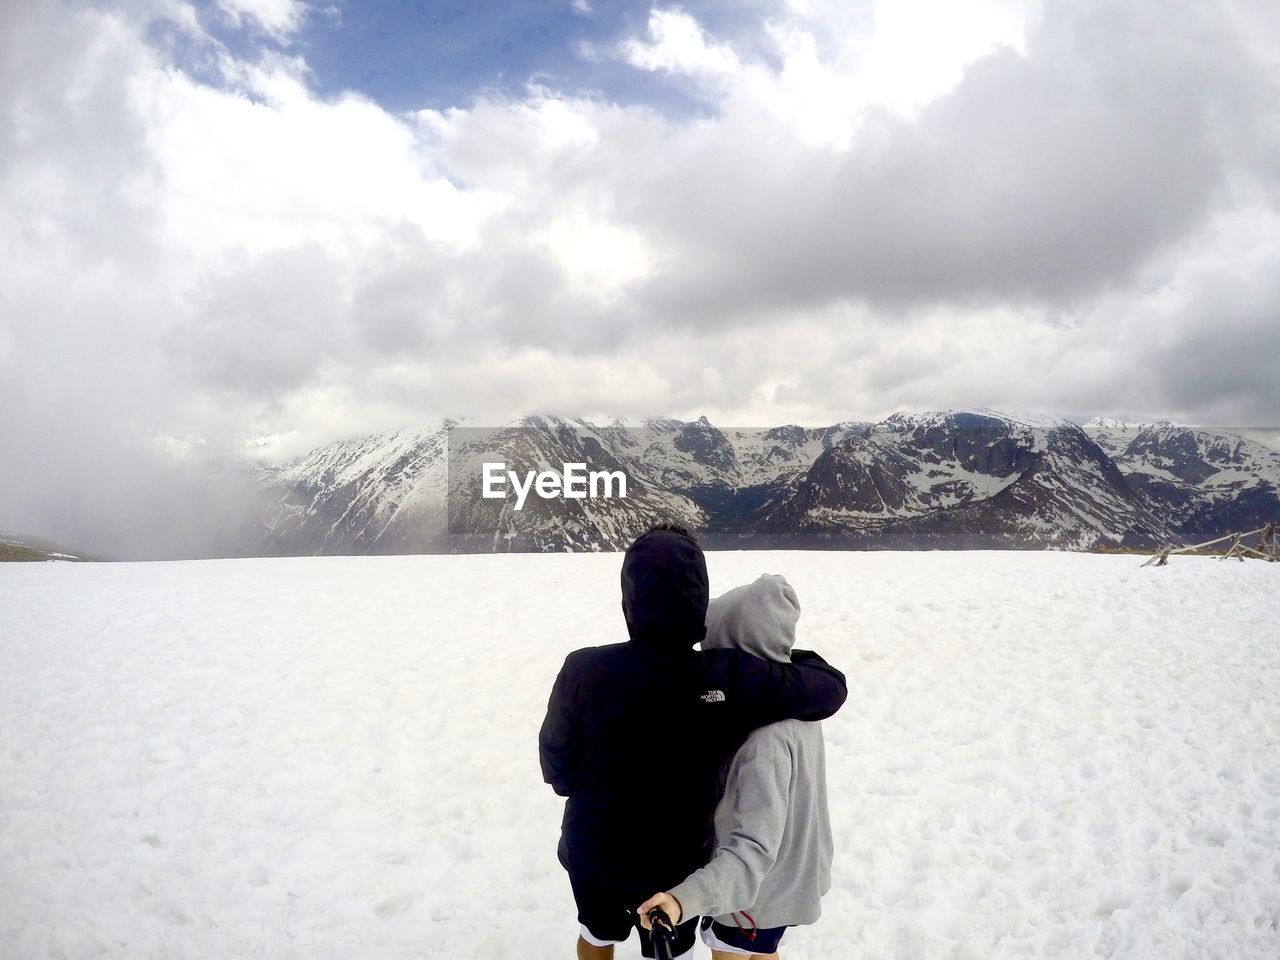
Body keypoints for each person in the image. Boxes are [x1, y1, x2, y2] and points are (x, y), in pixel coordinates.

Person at [539, 525, 847, 960]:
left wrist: (589, 789)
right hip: (675, 861)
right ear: (699, 598)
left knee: (598, 932)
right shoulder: (727, 677)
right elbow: (827, 691)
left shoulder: (581, 669)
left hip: (592, 845)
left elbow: (557, 768)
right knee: (666, 943)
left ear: (628, 599)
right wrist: (802, 661)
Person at [637, 574, 832, 959]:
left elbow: (752, 849)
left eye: (714, 651)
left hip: (754, 899)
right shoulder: (799, 705)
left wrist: (681, 900)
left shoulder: (765, 741)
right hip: (791, 880)